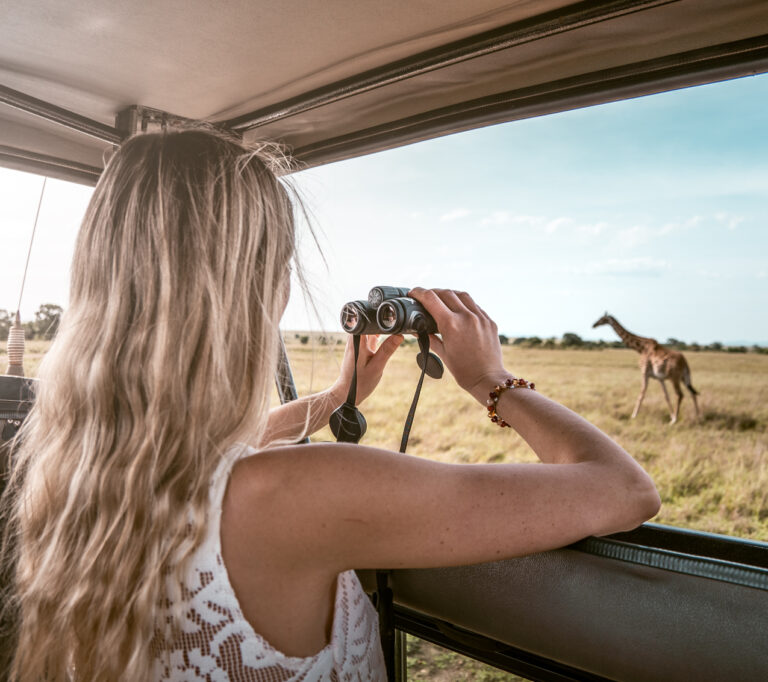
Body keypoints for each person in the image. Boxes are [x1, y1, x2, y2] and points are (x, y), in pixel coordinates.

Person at [1, 128, 660, 681]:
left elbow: (214, 461)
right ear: (255, 288)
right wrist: (492, 379)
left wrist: (335, 399)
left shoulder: (75, 468)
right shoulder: (296, 493)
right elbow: (624, 490)